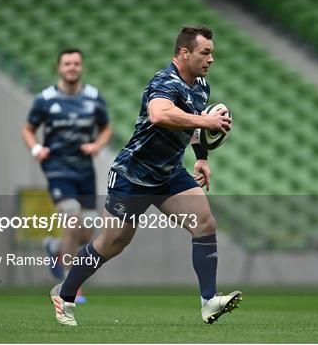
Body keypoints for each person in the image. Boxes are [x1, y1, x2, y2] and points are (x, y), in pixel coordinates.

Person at [49, 26, 241, 326]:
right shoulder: (165, 81)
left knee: (204, 222)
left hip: (169, 175)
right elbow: (160, 114)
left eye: (212, 52)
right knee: (111, 244)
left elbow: (190, 127)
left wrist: (201, 158)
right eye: (206, 52)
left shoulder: (201, 85)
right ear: (184, 53)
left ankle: (209, 300)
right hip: (132, 177)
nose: (211, 58)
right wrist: (206, 120)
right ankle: (65, 293)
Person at [22, 48, 112, 302]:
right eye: (67, 63)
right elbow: (28, 129)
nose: (72, 67)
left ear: (81, 67)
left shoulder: (93, 97)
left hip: (85, 171)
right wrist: (36, 147)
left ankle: (55, 248)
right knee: (72, 218)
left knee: (87, 229)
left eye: (76, 63)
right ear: (59, 68)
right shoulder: (46, 99)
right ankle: (70, 286)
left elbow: (106, 128)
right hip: (57, 168)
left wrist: (97, 145)